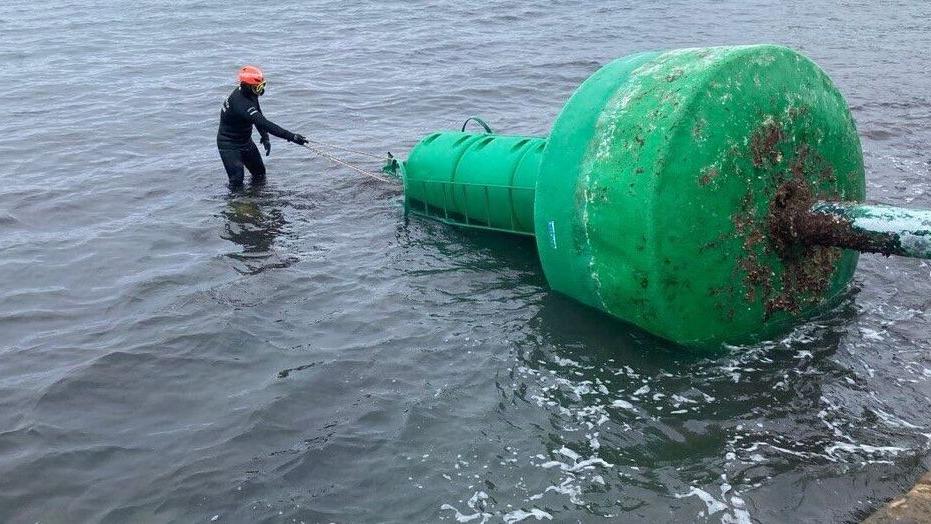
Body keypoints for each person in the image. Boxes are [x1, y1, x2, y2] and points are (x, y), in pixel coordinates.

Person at [216, 65, 308, 189]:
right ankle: (237, 205)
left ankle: (258, 198)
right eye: (258, 88)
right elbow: (264, 123)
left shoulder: (249, 93)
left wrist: (265, 137)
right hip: (229, 145)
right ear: (247, 86)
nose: (260, 91)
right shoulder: (241, 104)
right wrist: (292, 137)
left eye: (262, 86)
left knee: (260, 174)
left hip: (245, 141)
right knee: (237, 181)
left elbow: (258, 113)